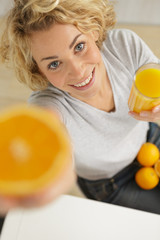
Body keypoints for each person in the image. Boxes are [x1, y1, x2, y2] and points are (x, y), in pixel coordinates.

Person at [0, 0, 160, 215]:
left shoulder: (125, 45)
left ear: (93, 30)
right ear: (39, 71)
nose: (77, 72)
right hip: (111, 182)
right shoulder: (49, 103)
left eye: (79, 46)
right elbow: (46, 127)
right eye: (54, 64)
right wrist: (50, 178)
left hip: (150, 139)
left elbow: (153, 70)